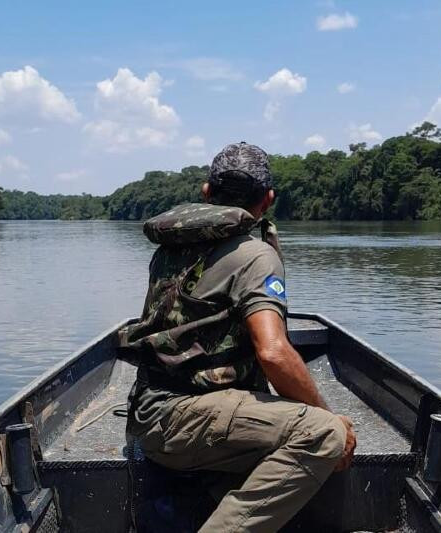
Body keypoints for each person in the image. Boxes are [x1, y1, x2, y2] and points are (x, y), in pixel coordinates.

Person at [118, 142, 356, 532]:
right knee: (322, 434)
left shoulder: (171, 248)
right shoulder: (255, 256)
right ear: (268, 200)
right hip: (182, 420)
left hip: (150, 412)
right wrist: (332, 419)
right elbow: (274, 353)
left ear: (206, 192)